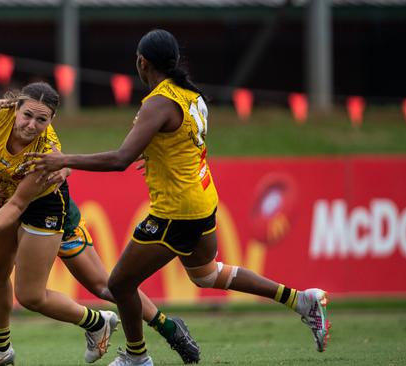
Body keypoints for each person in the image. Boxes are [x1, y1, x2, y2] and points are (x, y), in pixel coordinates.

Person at [23, 30, 330, 366]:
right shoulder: (189, 94)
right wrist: (154, 155)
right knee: (207, 275)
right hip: (202, 199)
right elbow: (181, 143)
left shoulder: (158, 102)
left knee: (120, 283)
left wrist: (63, 159)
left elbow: (120, 159)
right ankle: (300, 300)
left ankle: (136, 358)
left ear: (142, 62)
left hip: (176, 210)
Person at [0, 139, 199, 366]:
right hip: (13, 220)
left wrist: (63, 168)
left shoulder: (33, 141)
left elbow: (61, 165)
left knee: (105, 286)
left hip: (53, 221)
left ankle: (169, 328)